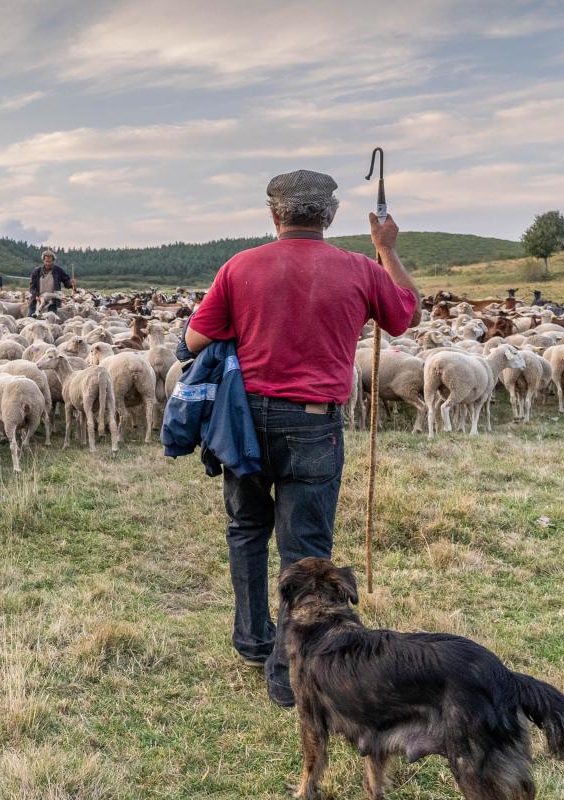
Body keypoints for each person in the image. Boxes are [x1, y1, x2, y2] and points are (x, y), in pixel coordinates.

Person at [183, 169, 418, 707]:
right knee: (306, 548)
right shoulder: (360, 268)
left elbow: (197, 337)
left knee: (245, 528)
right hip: (314, 423)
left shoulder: (240, 267)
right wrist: (386, 250)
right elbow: (406, 314)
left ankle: (252, 638)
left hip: (243, 423)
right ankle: (289, 672)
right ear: (330, 217)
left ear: (274, 215)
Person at [27, 250, 72, 316]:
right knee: (31, 319)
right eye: (46, 261)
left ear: (53, 261)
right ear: (43, 260)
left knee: (51, 323)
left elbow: (67, 282)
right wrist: (36, 295)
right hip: (37, 300)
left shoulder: (58, 271)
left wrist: (71, 283)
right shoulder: (36, 272)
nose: (48, 263)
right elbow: (32, 287)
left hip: (52, 301)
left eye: (50, 261)